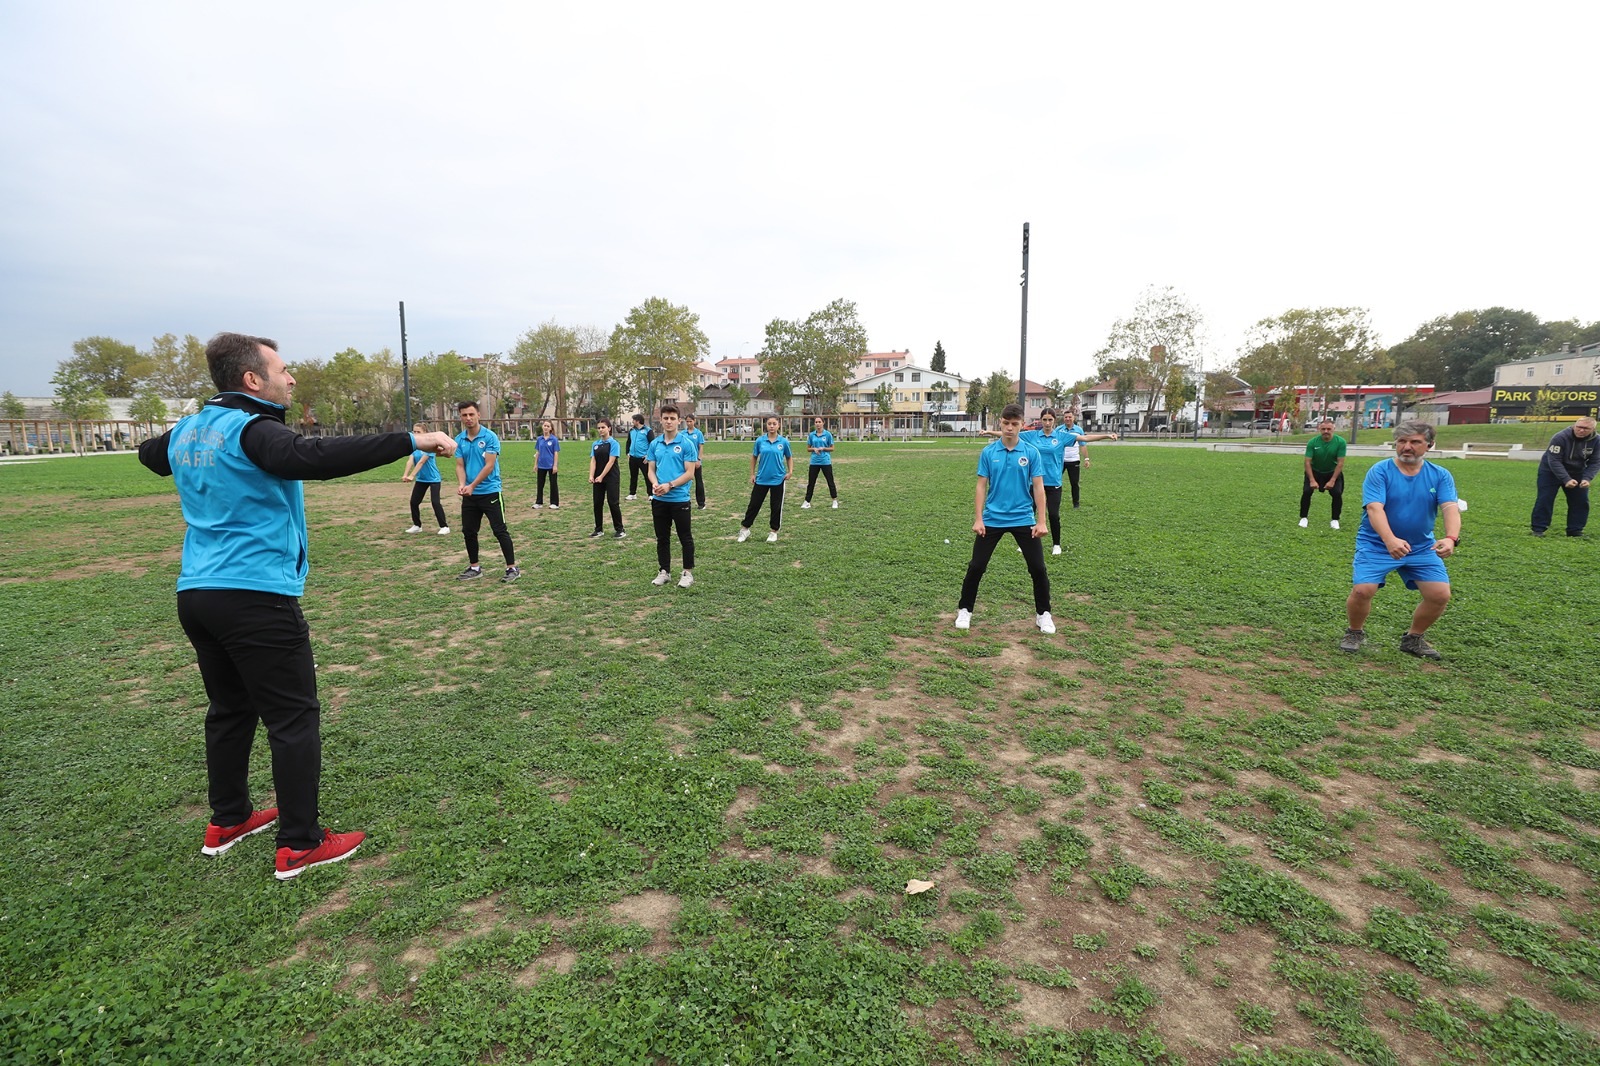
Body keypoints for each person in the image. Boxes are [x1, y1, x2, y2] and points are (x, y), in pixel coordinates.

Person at [138, 332, 458, 879]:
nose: (291, 379)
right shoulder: (255, 430)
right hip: (254, 595)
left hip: (197, 593)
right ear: (251, 380)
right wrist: (412, 439)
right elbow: (310, 456)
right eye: (283, 370)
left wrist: (200, 427)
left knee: (230, 709)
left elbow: (151, 456)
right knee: (292, 717)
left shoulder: (195, 426)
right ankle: (300, 843)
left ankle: (229, 819)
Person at [1341, 420, 1461, 660]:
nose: (1407, 447)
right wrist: (1389, 540)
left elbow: (1450, 507)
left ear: (1429, 445)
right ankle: (1354, 632)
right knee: (1363, 591)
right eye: (1402, 441)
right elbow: (1375, 509)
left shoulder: (1440, 475)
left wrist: (1451, 538)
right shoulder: (1380, 471)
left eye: (1415, 442)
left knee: (1440, 595)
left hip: (1421, 546)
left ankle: (1413, 639)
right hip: (1377, 544)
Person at [955, 404, 1054, 634]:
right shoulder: (989, 452)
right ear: (1000, 422)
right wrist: (978, 519)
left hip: (1023, 518)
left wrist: (1041, 521)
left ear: (1022, 425)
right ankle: (965, 610)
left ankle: (1044, 614)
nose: (1010, 428)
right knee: (976, 566)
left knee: (1038, 568)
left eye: (1015, 424)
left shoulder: (1031, 453)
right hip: (993, 518)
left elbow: (1039, 488)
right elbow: (981, 487)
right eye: (1006, 423)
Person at [454, 401, 520, 583]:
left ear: (478, 415)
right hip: (469, 494)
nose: (468, 418)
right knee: (468, 531)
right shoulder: (459, 439)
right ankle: (474, 567)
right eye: (464, 415)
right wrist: (462, 484)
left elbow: (489, 465)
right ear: (460, 417)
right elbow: (460, 465)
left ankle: (512, 568)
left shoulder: (489, 437)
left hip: (490, 492)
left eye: (471, 414)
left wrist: (472, 485)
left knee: (499, 530)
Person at [646, 405, 699, 587]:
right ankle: (664, 571)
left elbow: (689, 473)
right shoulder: (655, 444)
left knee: (685, 537)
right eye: (665, 418)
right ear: (660, 420)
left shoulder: (686, 444)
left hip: (679, 499)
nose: (669, 421)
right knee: (662, 538)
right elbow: (651, 470)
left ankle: (687, 573)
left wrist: (670, 485)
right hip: (659, 500)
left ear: (679, 421)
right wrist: (654, 483)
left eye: (672, 418)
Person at [1531, 416, 1598, 537]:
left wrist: (1587, 478)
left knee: (1581, 501)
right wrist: (1566, 479)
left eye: (1586, 428)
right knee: (1545, 499)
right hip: (1550, 471)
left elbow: (1596, 461)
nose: (1581, 430)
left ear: (1593, 429)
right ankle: (1538, 529)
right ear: (1574, 426)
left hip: (1577, 472)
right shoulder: (1560, 437)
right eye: (1579, 427)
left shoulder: (1597, 441)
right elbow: (1554, 460)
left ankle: (1575, 530)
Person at [737, 416, 793, 543]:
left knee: (776, 506)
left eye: (774, 423)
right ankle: (745, 529)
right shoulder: (760, 441)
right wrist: (752, 474)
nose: (771, 426)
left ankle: (774, 532)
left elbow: (789, 457)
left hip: (778, 479)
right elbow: (754, 457)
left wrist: (790, 472)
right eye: (769, 424)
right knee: (754, 505)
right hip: (761, 479)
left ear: (778, 425)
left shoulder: (783, 442)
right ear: (766, 426)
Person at [1058, 411, 1117, 508]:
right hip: (1060, 460)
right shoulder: (1059, 430)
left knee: (1074, 483)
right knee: (1056, 482)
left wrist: (1086, 458)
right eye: (1066, 417)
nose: (1067, 419)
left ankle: (1076, 503)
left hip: (1074, 460)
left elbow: (1083, 444)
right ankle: (1053, 502)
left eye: (1069, 417)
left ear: (1074, 418)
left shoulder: (1078, 430)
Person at [400, 421, 451, 535]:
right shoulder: (415, 446)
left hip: (433, 479)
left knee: (435, 502)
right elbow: (410, 460)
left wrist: (412, 475)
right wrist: (405, 474)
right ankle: (417, 525)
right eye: (414, 432)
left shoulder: (431, 446)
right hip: (422, 479)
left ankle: (444, 526)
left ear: (425, 433)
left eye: (419, 432)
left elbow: (422, 462)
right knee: (414, 502)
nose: (416, 434)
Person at [1299, 419, 1348, 530]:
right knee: (1306, 492)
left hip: (1332, 472)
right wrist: (1311, 479)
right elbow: (1307, 462)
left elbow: (1340, 463)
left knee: (1337, 493)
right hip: (1315, 471)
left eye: (1329, 429)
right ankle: (1303, 518)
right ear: (1319, 429)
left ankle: (1335, 520)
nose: (1326, 431)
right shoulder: (1312, 442)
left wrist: (1332, 480)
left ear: (1333, 429)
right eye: (1323, 429)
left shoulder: (1340, 442)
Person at [588, 417, 625, 539]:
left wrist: (601, 476)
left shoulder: (613, 443)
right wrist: (591, 476)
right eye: (598, 428)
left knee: (613, 502)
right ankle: (598, 529)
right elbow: (593, 461)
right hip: (598, 478)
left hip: (611, 477)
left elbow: (611, 461)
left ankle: (620, 529)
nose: (600, 430)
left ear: (609, 428)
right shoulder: (595, 444)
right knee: (597, 503)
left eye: (603, 427)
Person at [802, 416, 839, 509]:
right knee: (811, 482)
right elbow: (808, 448)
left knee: (830, 481)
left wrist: (823, 448)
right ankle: (807, 501)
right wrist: (813, 449)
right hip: (814, 462)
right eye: (816, 422)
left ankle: (834, 500)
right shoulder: (811, 435)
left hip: (825, 461)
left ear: (823, 423)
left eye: (819, 422)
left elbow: (832, 448)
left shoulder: (828, 435)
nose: (818, 424)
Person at [625, 413, 655, 500]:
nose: (632, 422)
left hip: (643, 458)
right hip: (633, 458)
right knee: (633, 476)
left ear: (638, 421)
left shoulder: (648, 430)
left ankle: (651, 494)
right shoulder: (631, 430)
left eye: (633, 420)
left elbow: (652, 444)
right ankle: (632, 493)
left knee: (647, 476)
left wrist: (648, 456)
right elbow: (628, 442)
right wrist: (628, 453)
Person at [532, 420, 561, 509]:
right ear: (542, 427)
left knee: (553, 484)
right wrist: (535, 464)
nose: (546, 427)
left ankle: (554, 503)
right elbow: (538, 452)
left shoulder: (554, 439)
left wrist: (555, 465)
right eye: (545, 425)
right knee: (540, 484)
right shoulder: (539, 439)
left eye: (548, 426)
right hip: (541, 465)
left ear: (551, 428)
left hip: (551, 465)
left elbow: (556, 453)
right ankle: (539, 502)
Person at [683, 413, 709, 509]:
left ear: (694, 421)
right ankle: (685, 502)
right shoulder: (682, 434)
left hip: (695, 462)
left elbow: (700, 447)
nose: (689, 423)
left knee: (699, 482)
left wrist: (699, 459)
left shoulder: (698, 433)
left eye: (690, 421)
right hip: (685, 462)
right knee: (684, 482)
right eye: (687, 421)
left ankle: (701, 503)